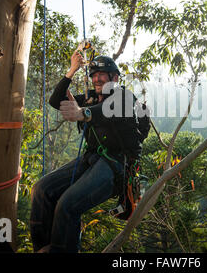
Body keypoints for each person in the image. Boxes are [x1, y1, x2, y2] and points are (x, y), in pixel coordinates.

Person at [30, 44, 146, 253]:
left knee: (67, 205)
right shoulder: (90, 97)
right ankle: (43, 248)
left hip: (117, 165)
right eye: (94, 75)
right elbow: (55, 100)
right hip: (92, 160)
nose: (97, 79)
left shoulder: (124, 98)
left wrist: (83, 113)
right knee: (42, 190)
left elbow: (104, 111)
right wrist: (72, 70)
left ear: (115, 78)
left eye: (102, 74)